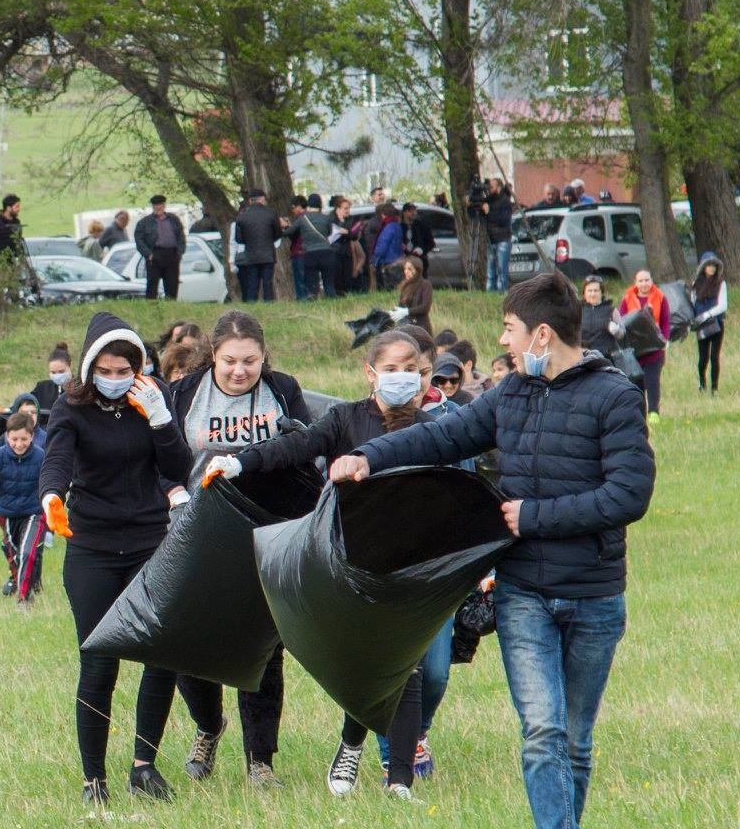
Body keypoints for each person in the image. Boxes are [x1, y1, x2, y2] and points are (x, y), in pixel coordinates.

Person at [339, 273, 655, 829]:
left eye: (509, 330)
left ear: (541, 333)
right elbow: (441, 433)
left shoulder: (616, 397)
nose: (504, 342)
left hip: (594, 595)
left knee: (574, 737)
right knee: (541, 730)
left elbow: (629, 495)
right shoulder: (511, 394)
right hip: (525, 594)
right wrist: (373, 458)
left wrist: (534, 516)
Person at [208, 331, 449, 795]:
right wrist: (240, 463)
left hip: (411, 560)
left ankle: (399, 782)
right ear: (371, 373)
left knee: (408, 665)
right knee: (364, 662)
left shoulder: (432, 427)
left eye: (410, 368)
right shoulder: (345, 419)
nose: (401, 378)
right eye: (391, 368)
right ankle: (351, 742)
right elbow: (295, 448)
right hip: (352, 559)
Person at [40, 311, 194, 803]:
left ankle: (143, 765)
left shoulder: (153, 397)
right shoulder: (71, 408)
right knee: (100, 660)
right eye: (103, 371)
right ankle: (94, 779)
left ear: (137, 367)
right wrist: (51, 497)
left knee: (161, 654)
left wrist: (162, 418)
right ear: (88, 370)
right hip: (92, 544)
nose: (113, 380)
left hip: (150, 539)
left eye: (122, 370)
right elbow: (57, 459)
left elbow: (177, 468)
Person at [163, 311, 309, 787]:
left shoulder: (283, 390)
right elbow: (162, 456)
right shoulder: (186, 393)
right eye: (230, 361)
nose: (240, 371)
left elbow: (305, 452)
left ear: (264, 358)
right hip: (197, 533)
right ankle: (208, 726)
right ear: (213, 356)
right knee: (187, 643)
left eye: (250, 361)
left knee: (263, 650)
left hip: (266, 534)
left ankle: (260, 760)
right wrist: (171, 491)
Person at [0, 409, 46, 601]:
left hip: (34, 512)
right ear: (7, 436)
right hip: (7, 513)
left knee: (27, 553)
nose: (19, 444)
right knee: (13, 554)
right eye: (14, 439)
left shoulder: (41, 457)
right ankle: (28, 581)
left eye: (24, 439)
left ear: (32, 436)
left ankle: (24, 597)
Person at [618, 268, 671, 420]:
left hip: (655, 349)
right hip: (635, 350)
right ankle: (639, 413)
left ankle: (653, 412)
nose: (644, 284)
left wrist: (665, 340)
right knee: (637, 382)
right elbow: (621, 320)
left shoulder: (661, 298)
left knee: (652, 380)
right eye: (640, 281)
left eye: (647, 280)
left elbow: (666, 321)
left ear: (651, 281)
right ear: (636, 283)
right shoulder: (627, 298)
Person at [685, 254, 728, 393]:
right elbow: (692, 303)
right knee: (703, 356)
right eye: (708, 265)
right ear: (703, 267)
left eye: (714, 266)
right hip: (701, 325)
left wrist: (707, 315)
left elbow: (723, 305)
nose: (711, 268)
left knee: (715, 356)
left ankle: (714, 388)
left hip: (716, 323)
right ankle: (702, 384)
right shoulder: (695, 284)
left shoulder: (721, 283)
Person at [134, 195, 188, 302]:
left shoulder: (173, 220)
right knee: (152, 285)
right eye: (155, 205)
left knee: (172, 284)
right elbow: (139, 240)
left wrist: (179, 253)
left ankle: (171, 307)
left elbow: (181, 237)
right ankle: (151, 308)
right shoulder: (145, 222)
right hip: (154, 255)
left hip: (172, 255)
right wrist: (148, 254)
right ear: (153, 207)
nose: (158, 207)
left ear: (164, 206)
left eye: (160, 205)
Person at [232, 189, 280, 302]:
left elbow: (238, 239)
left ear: (250, 201)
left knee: (252, 283)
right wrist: (268, 240)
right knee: (267, 283)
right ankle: (269, 303)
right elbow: (278, 233)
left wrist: (249, 242)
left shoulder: (242, 217)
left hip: (250, 254)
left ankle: (252, 303)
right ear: (262, 199)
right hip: (268, 253)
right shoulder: (271, 213)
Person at [292, 197, 339, 301]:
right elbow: (330, 232)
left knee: (312, 284)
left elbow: (291, 231)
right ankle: (333, 304)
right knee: (329, 283)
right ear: (320, 205)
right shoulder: (326, 218)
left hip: (310, 254)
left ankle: (313, 303)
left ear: (308, 205)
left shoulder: (303, 218)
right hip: (327, 253)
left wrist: (285, 226)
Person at [477, 178, 516, 292]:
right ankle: (490, 293)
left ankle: (502, 293)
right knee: (491, 270)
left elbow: (503, 220)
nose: (489, 189)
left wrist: (489, 213)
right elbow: (482, 214)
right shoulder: (490, 200)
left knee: (501, 271)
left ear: (498, 187)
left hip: (503, 239)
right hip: (492, 239)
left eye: (492, 187)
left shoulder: (505, 201)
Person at [18, 343, 73, 416]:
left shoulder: (80, 387)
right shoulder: (42, 388)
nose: (57, 376)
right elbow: (27, 401)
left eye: (61, 371)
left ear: (70, 365)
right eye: (53, 372)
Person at [372, 202, 409, 293]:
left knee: (389, 287)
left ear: (383, 214)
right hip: (398, 259)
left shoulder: (388, 227)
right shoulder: (397, 226)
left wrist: (375, 258)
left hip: (389, 261)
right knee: (397, 286)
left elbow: (383, 244)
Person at [578, 276, 618, 357]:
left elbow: (622, 333)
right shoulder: (577, 309)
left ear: (602, 293)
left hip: (606, 357)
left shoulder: (611, 310)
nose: (593, 294)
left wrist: (617, 331)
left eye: (596, 291)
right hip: (583, 357)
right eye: (589, 291)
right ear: (584, 293)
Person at [396, 256, 433, 329]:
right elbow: (401, 306)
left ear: (417, 270)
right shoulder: (406, 286)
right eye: (405, 269)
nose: (406, 271)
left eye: (409, 269)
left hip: (420, 326)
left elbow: (425, 307)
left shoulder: (425, 284)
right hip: (405, 324)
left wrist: (408, 311)